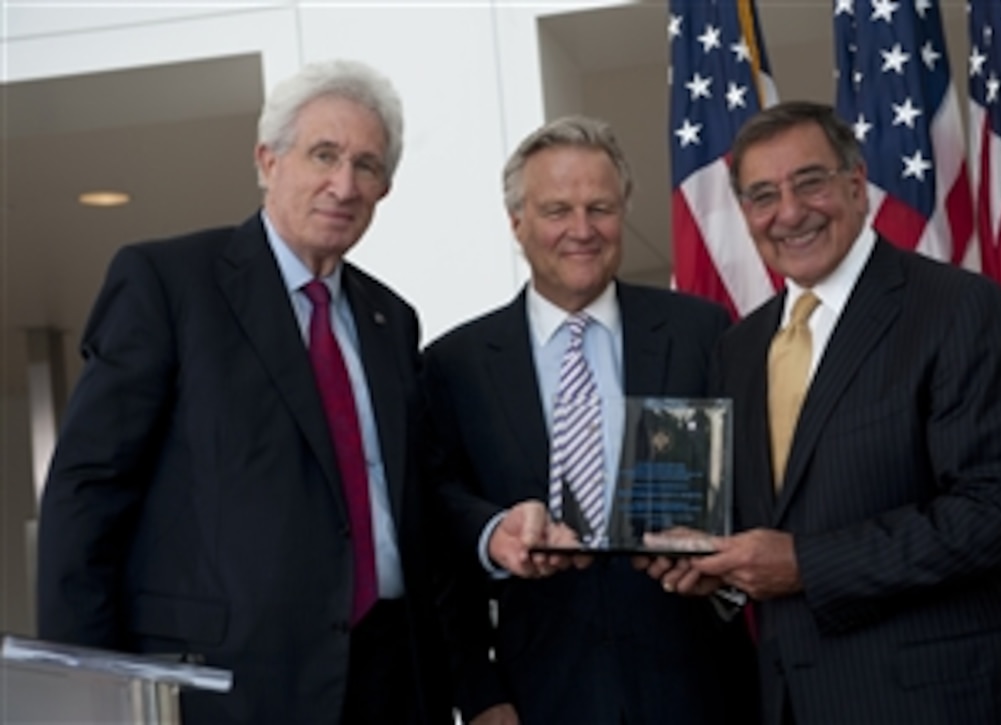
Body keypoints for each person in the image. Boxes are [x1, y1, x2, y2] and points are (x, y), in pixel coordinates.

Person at [36, 59, 455, 724]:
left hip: (387, 681)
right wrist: (89, 689)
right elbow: (86, 490)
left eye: (367, 165)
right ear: (268, 159)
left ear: (385, 187)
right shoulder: (168, 283)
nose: (343, 184)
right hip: (224, 686)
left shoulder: (391, 319)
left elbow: (412, 508)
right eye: (324, 154)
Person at [645, 101, 1001, 724]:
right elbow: (771, 524)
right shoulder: (738, 350)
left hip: (950, 703)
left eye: (809, 182)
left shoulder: (958, 309)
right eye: (763, 195)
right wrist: (717, 565)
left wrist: (802, 564)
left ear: (856, 185)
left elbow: (998, 515)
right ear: (744, 215)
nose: (788, 213)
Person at [422, 115, 759, 725]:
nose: (582, 230)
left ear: (623, 211)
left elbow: (754, 489)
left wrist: (722, 571)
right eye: (556, 211)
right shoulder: (454, 364)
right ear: (516, 223)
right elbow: (438, 530)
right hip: (536, 693)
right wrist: (478, 694)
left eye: (599, 207)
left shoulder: (700, 332)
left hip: (698, 683)